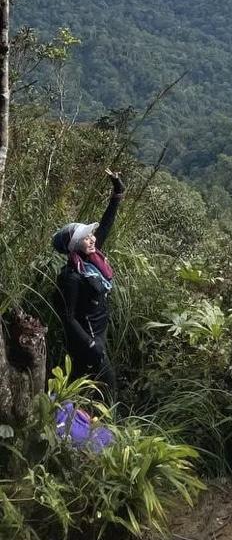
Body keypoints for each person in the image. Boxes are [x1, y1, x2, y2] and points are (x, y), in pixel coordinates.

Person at [53, 168, 125, 402]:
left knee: (86, 384)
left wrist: (117, 191)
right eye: (86, 237)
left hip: (99, 332)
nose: (92, 238)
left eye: (90, 235)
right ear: (75, 245)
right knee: (107, 385)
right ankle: (108, 428)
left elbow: (105, 225)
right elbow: (68, 316)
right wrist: (90, 343)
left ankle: (79, 424)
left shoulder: (90, 259)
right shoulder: (71, 276)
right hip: (89, 337)